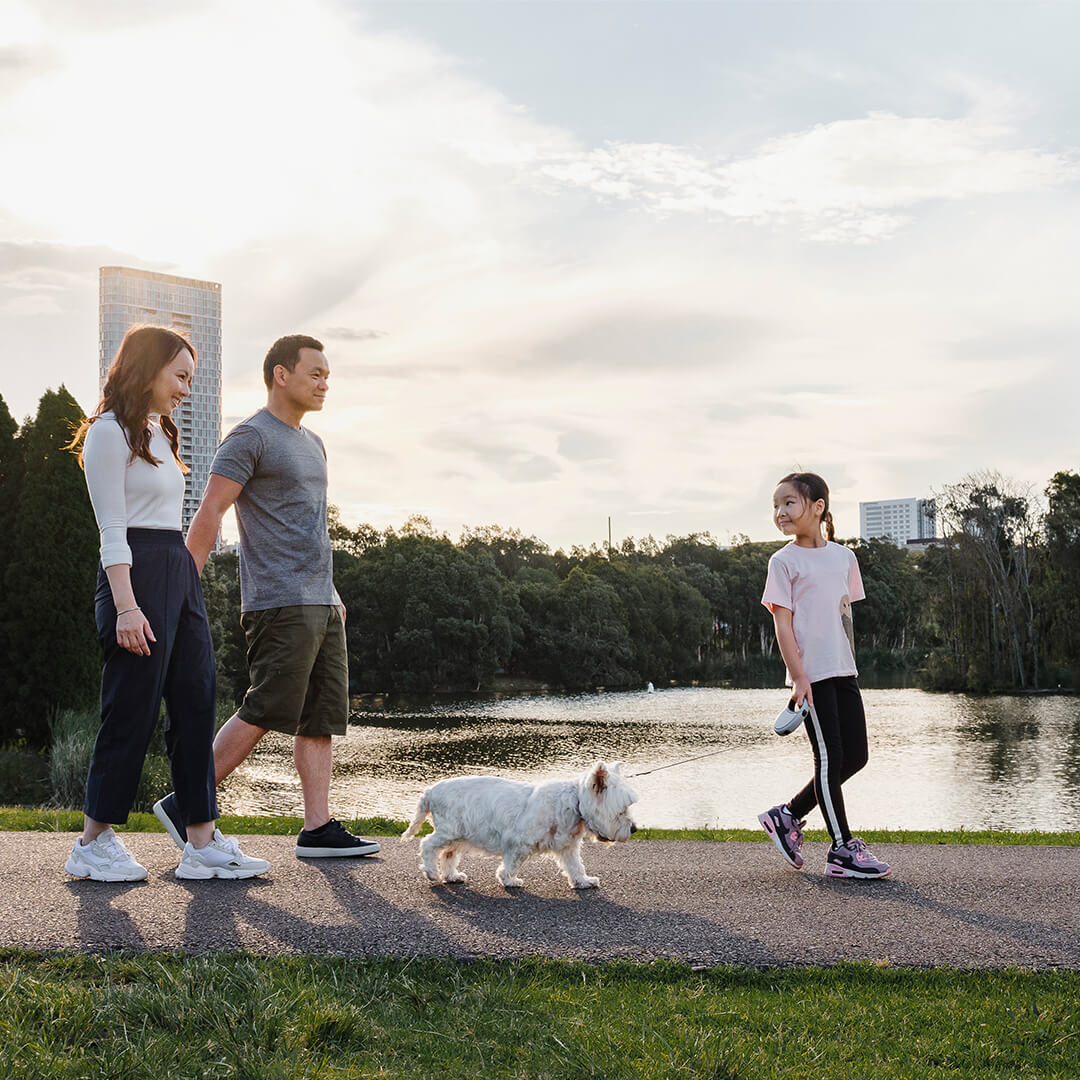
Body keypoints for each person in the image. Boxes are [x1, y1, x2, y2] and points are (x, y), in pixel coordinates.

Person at [153, 334, 380, 860]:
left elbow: (311, 526)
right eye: (315, 373)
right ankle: (186, 799)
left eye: (328, 376)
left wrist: (332, 590)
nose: (325, 384)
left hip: (320, 601)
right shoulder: (249, 437)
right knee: (267, 707)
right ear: (282, 374)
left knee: (320, 715)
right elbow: (209, 513)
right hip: (278, 601)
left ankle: (318, 828)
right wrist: (182, 591)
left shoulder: (313, 443)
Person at [65, 325, 270, 882]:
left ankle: (201, 841)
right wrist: (128, 607)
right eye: (179, 376)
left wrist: (182, 579)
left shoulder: (159, 433)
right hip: (134, 573)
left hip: (176, 570)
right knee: (131, 708)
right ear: (146, 369)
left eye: (190, 379)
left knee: (197, 700)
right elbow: (112, 529)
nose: (186, 389)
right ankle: (93, 841)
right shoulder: (108, 433)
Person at [756, 472, 890, 879]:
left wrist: (850, 664)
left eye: (789, 503)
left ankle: (788, 815)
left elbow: (844, 616)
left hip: (842, 669)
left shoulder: (844, 558)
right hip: (810, 676)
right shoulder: (783, 562)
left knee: (856, 756)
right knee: (829, 758)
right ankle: (842, 850)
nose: (781, 512)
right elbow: (782, 625)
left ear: (818, 507)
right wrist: (799, 679)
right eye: (776, 505)